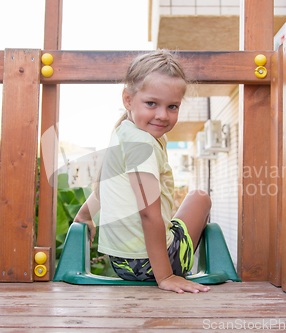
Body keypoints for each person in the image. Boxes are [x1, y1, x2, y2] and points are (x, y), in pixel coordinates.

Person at [74, 50, 212, 294]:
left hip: (121, 263)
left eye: (172, 106)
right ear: (128, 99)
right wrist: (166, 276)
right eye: (151, 104)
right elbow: (149, 215)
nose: (162, 115)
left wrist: (84, 215)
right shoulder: (143, 145)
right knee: (200, 197)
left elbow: (106, 185)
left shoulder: (123, 133)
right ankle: (180, 265)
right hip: (154, 264)